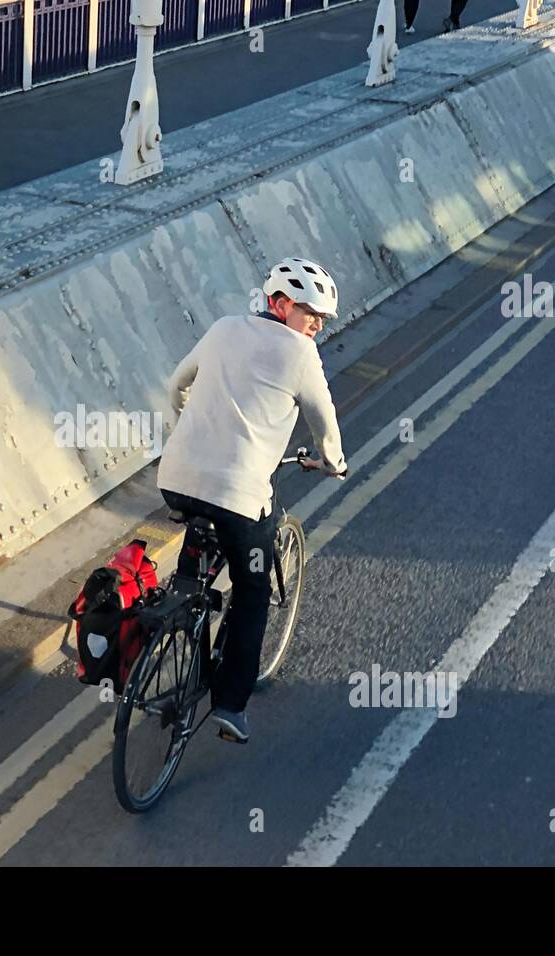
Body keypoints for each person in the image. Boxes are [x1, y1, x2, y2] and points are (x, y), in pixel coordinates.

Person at [156, 257, 348, 743]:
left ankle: (181, 618)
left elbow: (176, 385)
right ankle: (230, 704)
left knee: (194, 563)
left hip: (175, 476)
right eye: (311, 313)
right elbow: (324, 420)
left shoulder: (223, 328)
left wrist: (185, 430)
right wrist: (333, 463)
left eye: (322, 319)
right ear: (280, 304)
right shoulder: (301, 355)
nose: (317, 325)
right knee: (253, 592)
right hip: (240, 496)